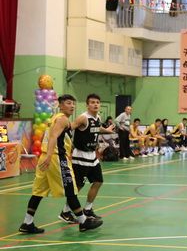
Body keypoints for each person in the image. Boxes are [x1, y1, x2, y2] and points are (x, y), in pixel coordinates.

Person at [18, 94, 103, 234]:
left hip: (46, 156)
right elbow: (53, 137)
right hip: (56, 157)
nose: (72, 106)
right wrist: (50, 155)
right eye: (68, 103)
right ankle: (83, 221)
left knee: (38, 192)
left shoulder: (55, 118)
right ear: (60, 105)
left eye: (73, 103)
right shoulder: (62, 119)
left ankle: (27, 222)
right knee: (71, 189)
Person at [58, 93, 115, 223]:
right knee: (78, 186)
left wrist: (107, 130)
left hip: (92, 156)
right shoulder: (83, 118)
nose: (95, 104)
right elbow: (69, 127)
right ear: (87, 105)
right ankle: (65, 212)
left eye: (97, 102)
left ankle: (88, 209)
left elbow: (96, 128)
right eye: (92, 102)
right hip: (80, 157)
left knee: (98, 181)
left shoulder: (97, 117)